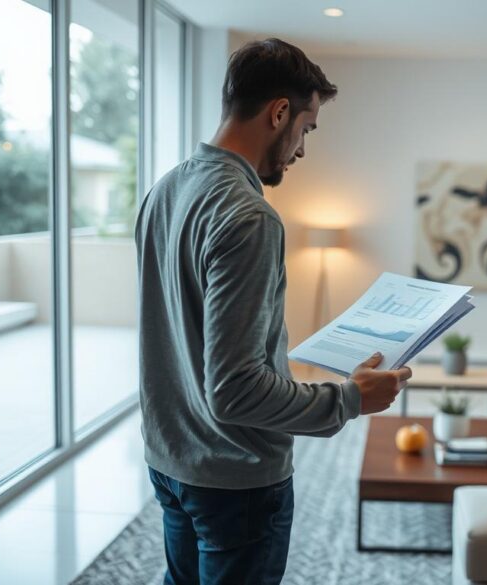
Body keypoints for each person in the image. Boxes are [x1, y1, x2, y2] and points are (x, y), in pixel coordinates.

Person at [135, 38, 412, 585]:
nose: (302, 149)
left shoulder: (164, 192)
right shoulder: (249, 216)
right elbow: (235, 389)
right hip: (234, 480)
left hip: (170, 461)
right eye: (306, 128)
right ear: (279, 112)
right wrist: (350, 399)